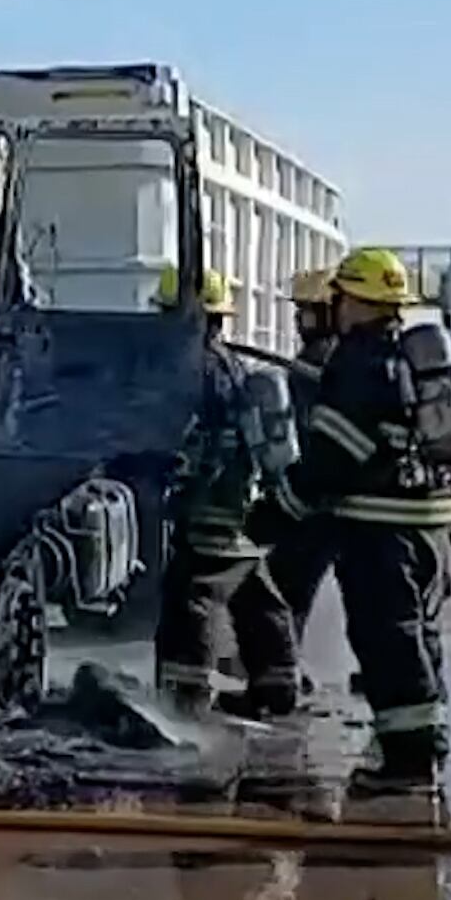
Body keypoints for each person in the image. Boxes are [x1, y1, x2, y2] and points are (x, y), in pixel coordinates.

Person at [262, 247, 451, 795]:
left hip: (383, 531)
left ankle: (406, 762)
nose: (335, 307)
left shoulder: (358, 362)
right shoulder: (407, 356)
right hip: (430, 525)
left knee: (387, 640)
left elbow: (334, 457)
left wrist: (276, 510)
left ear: (355, 301)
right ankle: (427, 744)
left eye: (340, 297)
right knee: (421, 638)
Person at [151, 265, 302, 720]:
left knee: (192, 596)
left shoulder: (191, 367)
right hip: (239, 496)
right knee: (256, 592)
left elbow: (177, 434)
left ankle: (185, 698)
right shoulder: (232, 365)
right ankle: (278, 684)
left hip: (207, 500)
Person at [260, 269, 341, 660]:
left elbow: (310, 440)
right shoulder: (342, 358)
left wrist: (287, 501)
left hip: (320, 498)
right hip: (336, 497)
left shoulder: (319, 361)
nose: (299, 320)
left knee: (284, 585)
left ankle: (282, 674)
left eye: (307, 312)